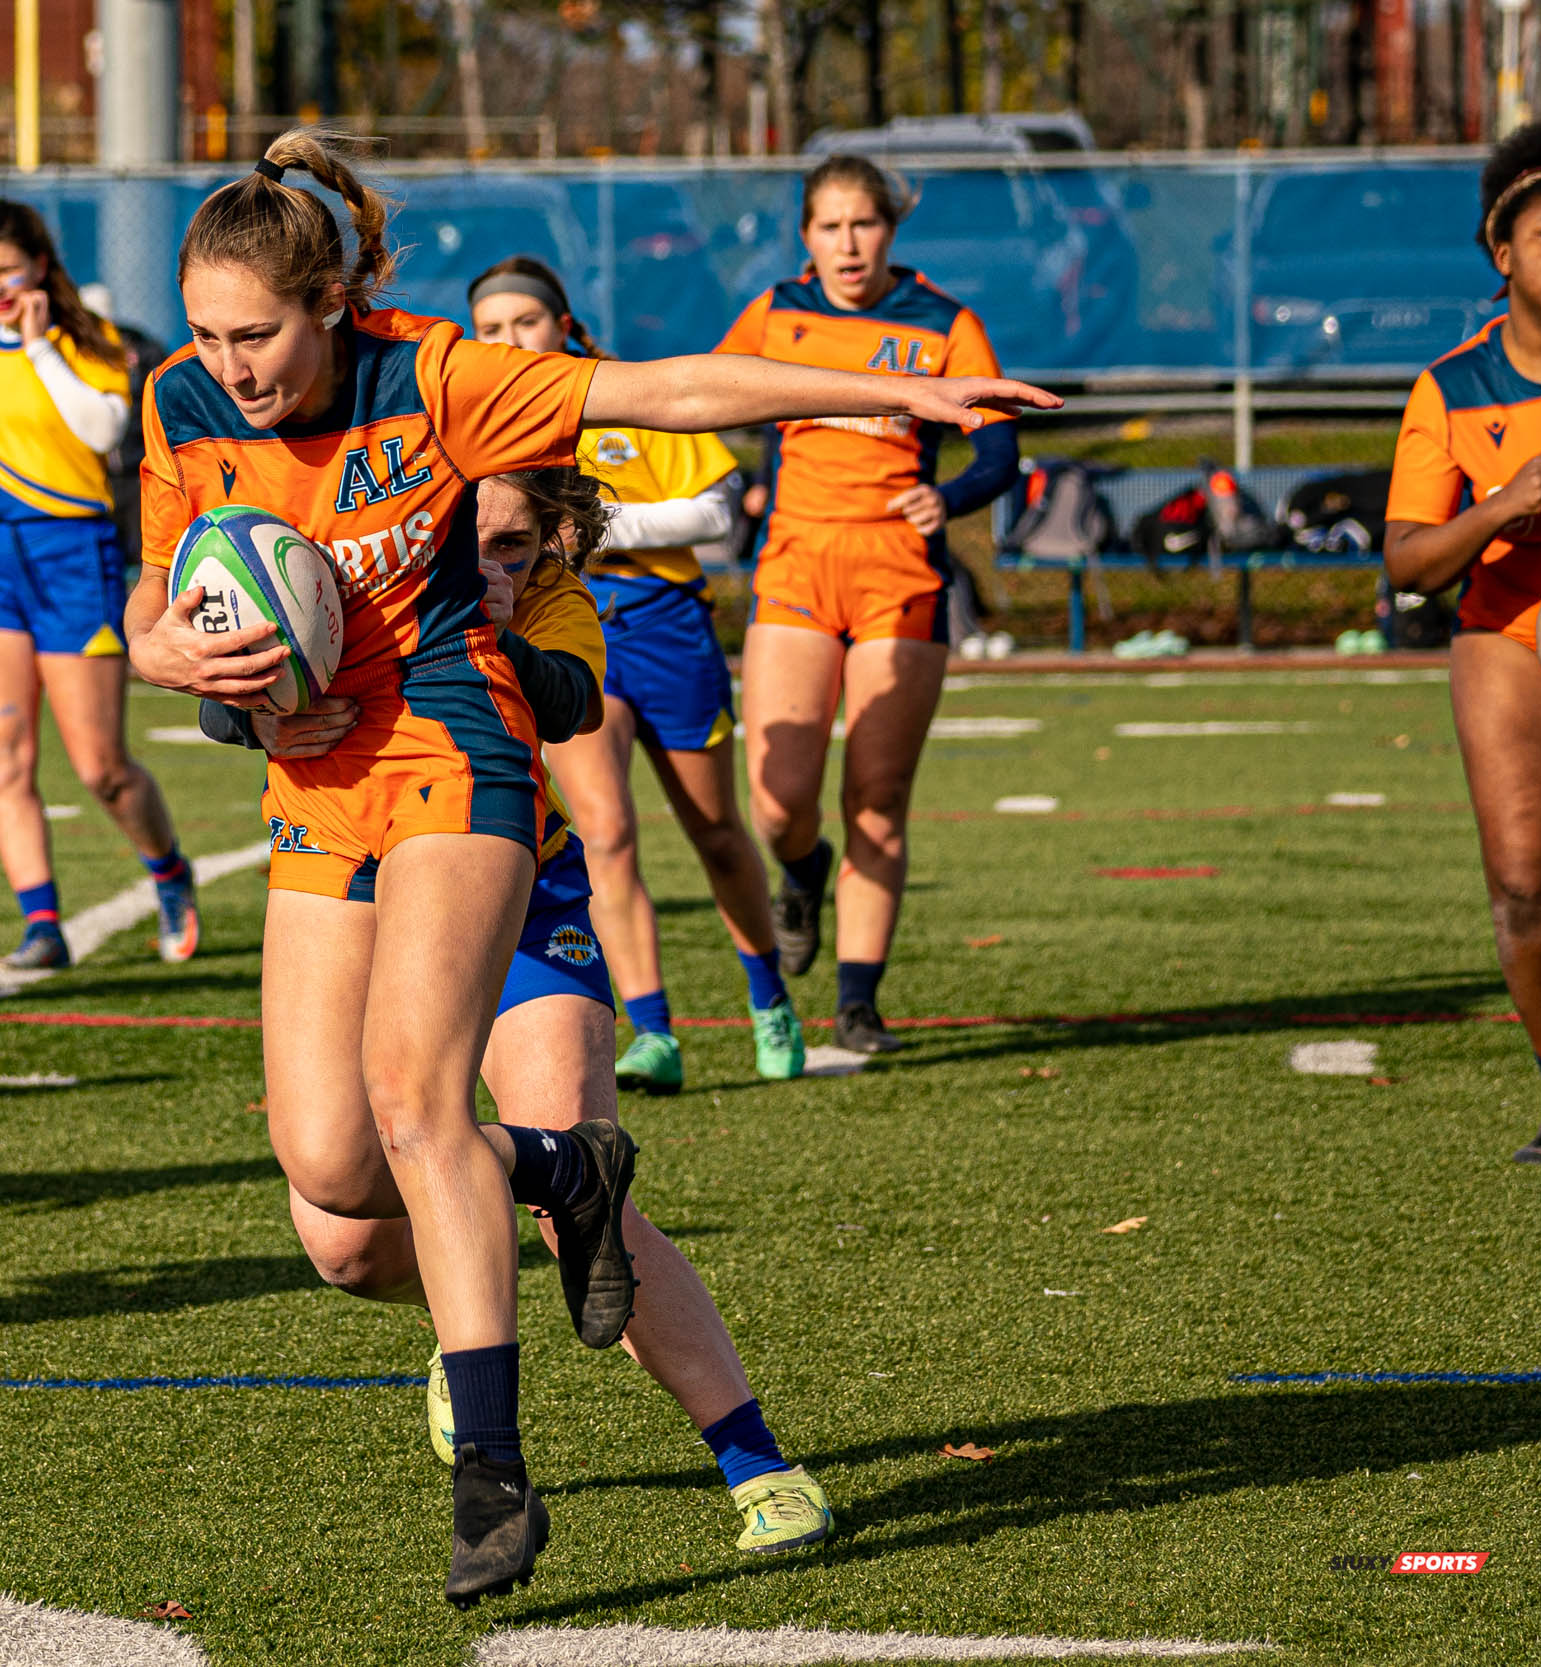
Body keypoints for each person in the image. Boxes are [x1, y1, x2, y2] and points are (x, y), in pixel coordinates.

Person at [125, 127, 1052, 1603]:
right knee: (332, 1185)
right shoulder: (180, 400)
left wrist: (897, 387)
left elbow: (677, 386)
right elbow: (162, 573)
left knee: (423, 1105)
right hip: (321, 785)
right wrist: (165, 643)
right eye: (210, 333)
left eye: (261, 335)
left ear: (333, 310)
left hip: (453, 752)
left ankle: (504, 1466)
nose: (233, 363)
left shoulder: (432, 377)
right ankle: (572, 1174)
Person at [200, 468, 834, 1560]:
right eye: (469, 541)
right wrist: (258, 713)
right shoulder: (358, 573)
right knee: (344, 1235)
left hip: (520, 891)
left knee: (581, 1210)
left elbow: (567, 701)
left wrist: (496, 627)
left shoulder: (547, 602)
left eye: (512, 546)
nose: (487, 562)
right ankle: (484, 1282)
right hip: (352, 892)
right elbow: (226, 688)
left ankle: (758, 1461)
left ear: (554, 540)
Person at [469, 255, 803, 1091]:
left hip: (664, 623)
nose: (511, 340)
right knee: (607, 832)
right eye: (492, 329)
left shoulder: (619, 393)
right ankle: (652, 1028)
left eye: (526, 322)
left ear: (563, 322)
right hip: (563, 629)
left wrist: (592, 529)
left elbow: (719, 511)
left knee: (716, 829)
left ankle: (769, 994)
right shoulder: (477, 419)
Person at [716, 155, 1023, 1054]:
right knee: (778, 799)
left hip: (899, 572)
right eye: (830, 226)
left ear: (891, 228)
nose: (849, 244)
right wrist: (742, 484)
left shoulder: (943, 322)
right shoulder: (777, 314)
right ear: (806, 236)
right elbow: (704, 402)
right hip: (798, 566)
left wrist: (951, 499)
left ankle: (858, 1003)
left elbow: (1001, 453)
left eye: (865, 224)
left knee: (879, 795)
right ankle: (802, 867)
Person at [0, 199, 200, 969]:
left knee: (101, 767)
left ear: (39, 265)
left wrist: (37, 345)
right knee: (3, 751)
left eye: (4, 270)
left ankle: (169, 870)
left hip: (73, 555)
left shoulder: (91, 342)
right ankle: (42, 923)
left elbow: (99, 432)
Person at [1385, 122, 1541, 1166]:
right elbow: (1407, 565)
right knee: (1525, 879)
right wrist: (1503, 508)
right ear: (1504, 254)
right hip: (1504, 626)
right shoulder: (1454, 385)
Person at [78, 281, 169, 566]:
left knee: (149, 555)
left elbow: (161, 401)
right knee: (101, 558)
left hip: (138, 469)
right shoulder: (69, 352)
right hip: (93, 473)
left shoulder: (141, 350)